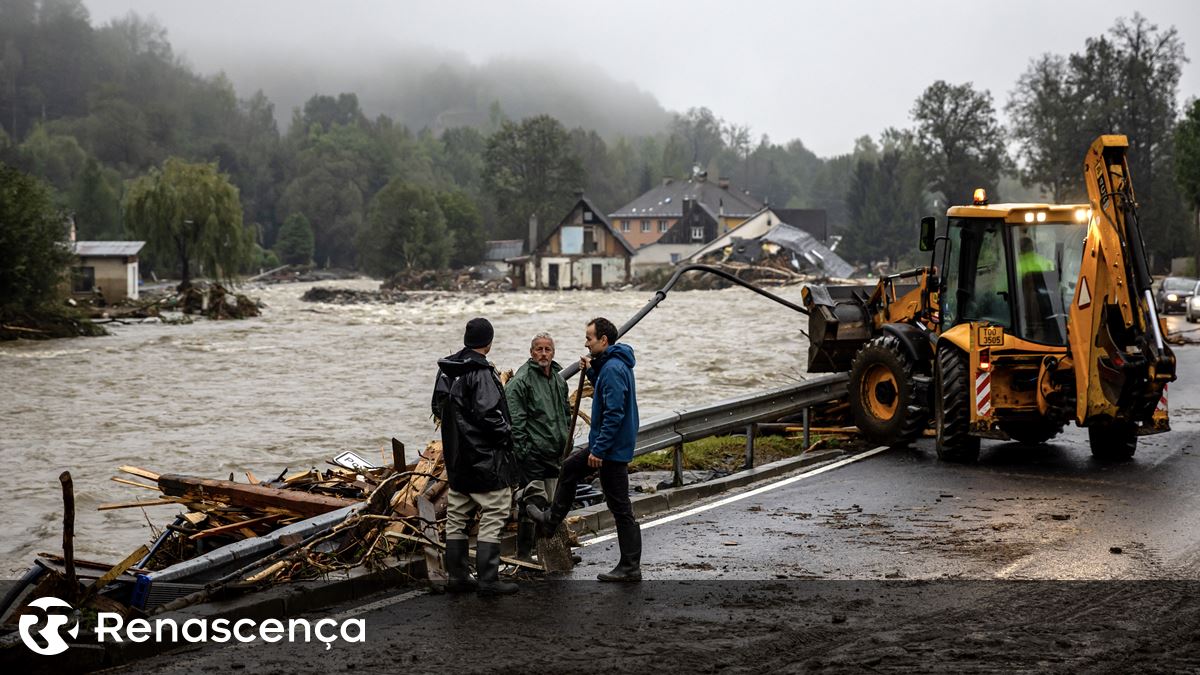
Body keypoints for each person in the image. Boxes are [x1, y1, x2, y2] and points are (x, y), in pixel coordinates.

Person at [528, 317, 642, 582]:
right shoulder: (613, 364)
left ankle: (630, 567)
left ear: (603, 340)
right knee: (572, 469)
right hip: (611, 444)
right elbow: (606, 390)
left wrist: (599, 450)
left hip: (610, 448)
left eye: (589, 338)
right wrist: (591, 370)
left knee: (620, 506)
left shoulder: (613, 368)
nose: (586, 342)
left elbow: (614, 412)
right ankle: (552, 519)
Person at [431, 317, 520, 596]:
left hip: (458, 459)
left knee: (457, 516)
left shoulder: (448, 370)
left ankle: (458, 576)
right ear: (489, 343)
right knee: (494, 513)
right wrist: (508, 437)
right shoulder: (480, 372)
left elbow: (437, 407)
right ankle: (489, 581)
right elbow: (490, 415)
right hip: (485, 461)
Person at [505, 332, 571, 560]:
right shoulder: (520, 382)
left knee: (552, 503)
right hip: (532, 453)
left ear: (553, 352)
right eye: (539, 349)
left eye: (548, 349)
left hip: (555, 452)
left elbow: (565, 412)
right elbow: (515, 422)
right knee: (532, 502)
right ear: (531, 352)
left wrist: (566, 442)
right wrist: (524, 453)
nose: (543, 353)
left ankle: (551, 552)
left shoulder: (557, 379)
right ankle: (524, 554)